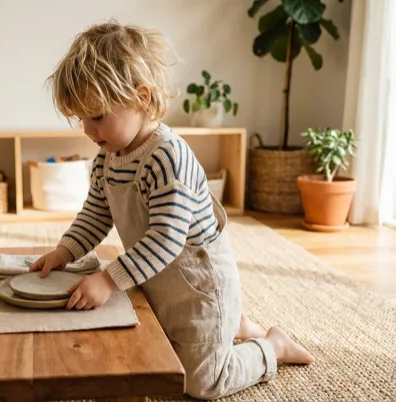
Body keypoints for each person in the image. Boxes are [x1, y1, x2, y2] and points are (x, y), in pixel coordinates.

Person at [30, 20, 314, 400]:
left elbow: (165, 240)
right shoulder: (108, 157)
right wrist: (64, 251)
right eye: (82, 118)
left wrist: (109, 280)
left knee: (201, 383)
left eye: (97, 116)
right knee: (151, 349)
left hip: (198, 287)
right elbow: (96, 213)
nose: (87, 129)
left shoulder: (167, 157)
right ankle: (235, 325)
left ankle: (271, 347)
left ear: (142, 97)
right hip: (157, 281)